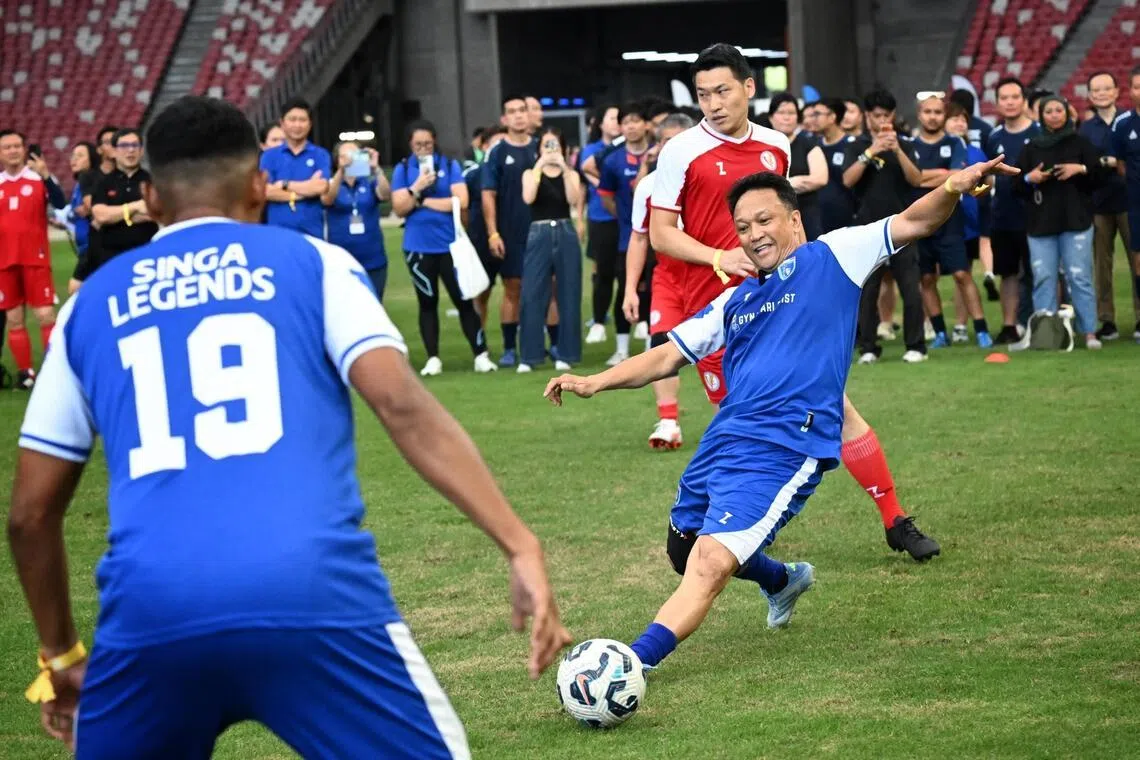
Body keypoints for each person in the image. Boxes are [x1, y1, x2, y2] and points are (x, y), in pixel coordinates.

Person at [10, 95, 571, 758]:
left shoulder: (90, 306)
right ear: (257, 186)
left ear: (152, 199)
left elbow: (30, 515)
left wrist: (60, 653)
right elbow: (402, 405)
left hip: (154, 610)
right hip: (311, 594)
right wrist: (518, 543)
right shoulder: (317, 265)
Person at [547, 158, 1011, 670]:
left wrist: (951, 186)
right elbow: (665, 355)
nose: (753, 235)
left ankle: (629, 665)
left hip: (786, 445)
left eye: (764, 220)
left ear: (794, 219)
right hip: (724, 442)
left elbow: (915, 220)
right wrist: (595, 381)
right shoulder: (736, 300)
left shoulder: (833, 255)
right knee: (682, 552)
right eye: (742, 227)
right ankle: (783, 579)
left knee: (707, 563)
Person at [650, 44, 938, 561]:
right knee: (739, 432)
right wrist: (720, 258)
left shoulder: (774, 144)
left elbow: (785, 220)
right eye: (702, 95)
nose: (712, 104)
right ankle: (749, 552)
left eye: (722, 91)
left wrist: (802, 281)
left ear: (748, 88)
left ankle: (894, 519)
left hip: (777, 301)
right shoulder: (679, 151)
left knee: (837, 408)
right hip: (718, 312)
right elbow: (661, 235)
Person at [392, 120, 495, 376]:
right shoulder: (403, 169)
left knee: (464, 301)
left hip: (450, 246)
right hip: (417, 247)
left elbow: (461, 200)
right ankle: (433, 358)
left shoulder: (449, 165)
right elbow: (399, 207)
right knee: (427, 303)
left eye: (427, 143)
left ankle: (481, 355)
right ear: (410, 145)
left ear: (435, 141)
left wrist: (423, 201)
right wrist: (416, 188)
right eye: (418, 144)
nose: (423, 149)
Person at [621, 112, 694, 449]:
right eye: (667, 141)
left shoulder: (710, 182)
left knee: (726, 353)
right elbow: (638, 239)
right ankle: (668, 422)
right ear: (658, 146)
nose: (673, 148)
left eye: (681, 140)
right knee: (660, 345)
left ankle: (738, 421)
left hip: (710, 274)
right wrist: (630, 289)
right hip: (667, 277)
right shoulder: (648, 186)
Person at [842, 89, 927, 363]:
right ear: (868, 117)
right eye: (876, 116)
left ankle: (916, 346)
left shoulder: (906, 144)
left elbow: (917, 179)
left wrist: (897, 150)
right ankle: (868, 348)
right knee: (868, 291)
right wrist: (871, 152)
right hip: (868, 229)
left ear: (892, 116)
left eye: (886, 116)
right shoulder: (857, 146)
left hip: (903, 226)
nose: (881, 121)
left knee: (911, 288)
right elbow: (848, 180)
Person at [1016, 95, 1107, 349]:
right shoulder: (1031, 147)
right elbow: (1014, 185)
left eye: (1059, 110)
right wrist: (1029, 178)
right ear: (1041, 115)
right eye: (1049, 111)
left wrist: (1081, 169)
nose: (1054, 115)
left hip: (1076, 222)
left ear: (1067, 113)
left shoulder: (1080, 143)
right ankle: (1048, 334)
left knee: (1080, 277)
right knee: (1044, 277)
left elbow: (1101, 176)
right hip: (1041, 225)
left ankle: (1089, 331)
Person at [909, 92, 992, 348]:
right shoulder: (909, 145)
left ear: (943, 115)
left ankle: (981, 331)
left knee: (961, 274)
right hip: (919, 221)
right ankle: (940, 333)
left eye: (937, 112)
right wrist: (943, 176)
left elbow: (957, 175)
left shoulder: (956, 143)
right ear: (919, 114)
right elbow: (913, 179)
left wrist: (926, 177)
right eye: (928, 112)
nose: (932, 117)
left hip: (949, 219)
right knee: (926, 279)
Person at [0, 129, 65, 389]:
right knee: (14, 319)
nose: (13, 151)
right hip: (4, 262)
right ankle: (26, 374)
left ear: (25, 149)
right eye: (7, 147)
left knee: (46, 315)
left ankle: (53, 370)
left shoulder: (39, 179)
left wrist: (46, 174)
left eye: (17, 146)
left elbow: (60, 204)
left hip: (35, 259)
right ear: (0, 153)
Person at [518, 128, 582, 372]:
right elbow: (528, 197)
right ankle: (529, 356)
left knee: (569, 293)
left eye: (555, 145)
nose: (551, 149)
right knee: (532, 293)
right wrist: (540, 166)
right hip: (539, 231)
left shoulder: (571, 174)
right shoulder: (529, 173)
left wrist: (564, 168)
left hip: (565, 231)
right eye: (546, 145)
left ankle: (567, 353)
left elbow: (573, 199)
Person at [483, 95, 539, 366]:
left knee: (544, 289)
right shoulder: (496, 152)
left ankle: (543, 345)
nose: (518, 116)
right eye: (511, 112)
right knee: (512, 289)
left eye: (522, 110)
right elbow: (488, 195)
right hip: (510, 233)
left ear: (529, 115)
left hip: (541, 231)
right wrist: (493, 232)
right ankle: (508, 348)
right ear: (504, 119)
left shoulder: (540, 149)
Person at [1082, 71, 1137, 341]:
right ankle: (1107, 321)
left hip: (1131, 202)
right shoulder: (1085, 129)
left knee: (1137, 262)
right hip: (1098, 204)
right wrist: (1107, 163)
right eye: (1096, 89)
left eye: (1107, 88)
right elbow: (1088, 166)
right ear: (1090, 95)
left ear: (1117, 91)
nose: (1102, 93)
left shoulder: (1129, 121)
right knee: (1101, 267)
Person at [986, 77, 1041, 343]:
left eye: (1014, 97)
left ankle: (1043, 322)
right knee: (1007, 273)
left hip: (1036, 215)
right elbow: (986, 179)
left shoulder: (1039, 133)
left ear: (1023, 100)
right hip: (1003, 216)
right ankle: (1009, 327)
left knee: (1039, 271)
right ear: (997, 103)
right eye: (1004, 98)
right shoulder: (993, 137)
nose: (1009, 102)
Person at [597, 101, 653, 366]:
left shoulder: (661, 154)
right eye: (626, 121)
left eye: (635, 120)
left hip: (660, 236)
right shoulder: (612, 160)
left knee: (654, 289)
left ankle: (653, 347)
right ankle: (621, 348)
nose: (631, 126)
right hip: (627, 236)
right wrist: (626, 218)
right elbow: (606, 198)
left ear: (646, 125)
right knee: (625, 289)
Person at [946, 101, 1000, 334]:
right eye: (954, 118)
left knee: (963, 272)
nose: (960, 123)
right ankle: (939, 325)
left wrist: (975, 193)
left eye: (963, 120)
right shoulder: (937, 148)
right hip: (942, 219)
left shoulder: (975, 152)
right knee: (932, 276)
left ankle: (961, 325)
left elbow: (988, 183)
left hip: (969, 218)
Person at [321, 140, 391, 301]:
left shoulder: (368, 183)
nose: (350, 159)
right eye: (344, 156)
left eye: (354, 155)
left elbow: (385, 195)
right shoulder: (332, 183)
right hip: (341, 259)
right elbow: (327, 199)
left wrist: (376, 169)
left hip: (373, 258)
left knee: (374, 305)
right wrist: (341, 171)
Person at [579, 104, 623, 345]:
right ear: (601, 123)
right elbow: (587, 173)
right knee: (603, 273)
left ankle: (630, 325)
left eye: (620, 119)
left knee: (627, 274)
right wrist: (608, 187)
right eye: (612, 118)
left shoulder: (628, 148)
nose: (616, 123)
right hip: (601, 217)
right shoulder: (593, 150)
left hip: (625, 220)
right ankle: (598, 322)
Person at [260, 98, 331, 238]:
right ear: (282, 123)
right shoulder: (269, 156)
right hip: (277, 233)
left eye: (302, 120)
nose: (297, 124)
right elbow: (266, 191)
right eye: (292, 119)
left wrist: (285, 184)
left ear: (310, 124)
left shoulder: (320, 155)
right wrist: (303, 192)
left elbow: (321, 187)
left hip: (313, 233)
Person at [768, 92, 828, 240]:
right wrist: (798, 182)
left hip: (806, 214)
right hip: (773, 217)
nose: (787, 117)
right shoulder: (763, 146)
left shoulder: (808, 144)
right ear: (771, 117)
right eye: (781, 112)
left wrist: (782, 184)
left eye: (791, 113)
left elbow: (820, 178)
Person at [463, 126, 506, 327]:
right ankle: (480, 347)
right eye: (496, 144)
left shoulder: (518, 172)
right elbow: (463, 207)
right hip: (481, 241)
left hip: (512, 238)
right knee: (481, 293)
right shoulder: (472, 175)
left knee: (519, 290)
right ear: (485, 146)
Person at [1110, 64, 1140, 343]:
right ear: (1130, 91)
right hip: (1136, 204)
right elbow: (1119, 164)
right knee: (1139, 263)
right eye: (1138, 86)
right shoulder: (1123, 124)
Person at [815, 98, 858, 234]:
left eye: (817, 114)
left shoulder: (852, 145)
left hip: (847, 221)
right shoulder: (813, 145)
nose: (813, 119)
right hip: (819, 219)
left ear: (832, 117)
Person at [67, 141, 98, 259]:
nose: (74, 159)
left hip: (94, 247)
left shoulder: (98, 182)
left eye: (80, 156)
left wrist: (91, 209)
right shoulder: (78, 185)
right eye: (73, 156)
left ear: (92, 159)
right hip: (83, 247)